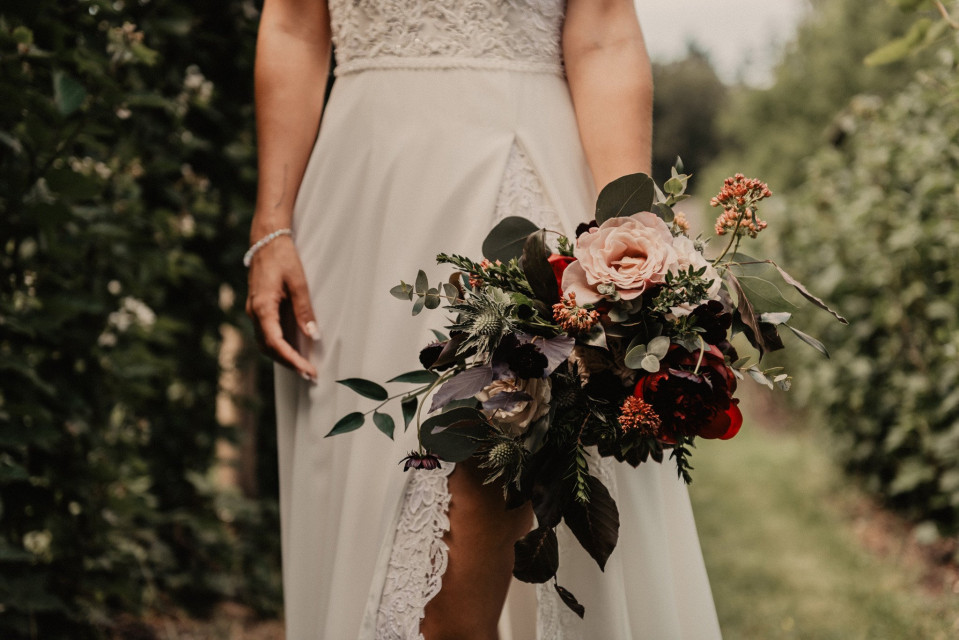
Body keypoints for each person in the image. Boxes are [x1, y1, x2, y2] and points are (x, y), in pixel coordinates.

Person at [245, 0, 723, 638]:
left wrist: (626, 242)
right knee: (358, 511)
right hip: (358, 207)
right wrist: (271, 225)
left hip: (515, 186)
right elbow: (293, 26)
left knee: (462, 541)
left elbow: (604, 32)